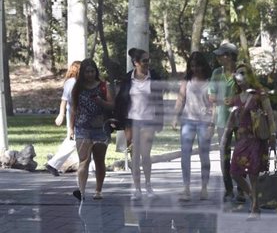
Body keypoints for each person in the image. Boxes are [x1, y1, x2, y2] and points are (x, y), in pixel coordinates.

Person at [114, 48, 165, 200]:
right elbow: (121, 100)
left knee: (146, 155)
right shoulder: (128, 78)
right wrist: (118, 121)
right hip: (131, 121)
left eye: (148, 60)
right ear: (136, 63)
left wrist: (159, 121)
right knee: (134, 156)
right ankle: (137, 189)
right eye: (144, 61)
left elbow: (159, 100)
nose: (147, 63)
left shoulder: (154, 77)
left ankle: (148, 186)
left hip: (148, 120)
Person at [227, 63, 277, 217]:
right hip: (242, 140)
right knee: (234, 172)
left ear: (250, 75)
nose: (240, 76)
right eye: (237, 74)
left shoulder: (259, 94)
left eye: (243, 73)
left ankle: (255, 207)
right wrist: (226, 135)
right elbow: (233, 120)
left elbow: (269, 113)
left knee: (253, 174)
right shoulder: (236, 98)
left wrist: (273, 135)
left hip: (256, 139)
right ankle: (254, 198)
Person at [172, 52, 214, 201]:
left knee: (204, 155)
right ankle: (186, 188)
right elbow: (180, 99)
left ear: (204, 65)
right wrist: (175, 116)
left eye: (198, 65)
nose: (195, 69)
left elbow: (214, 104)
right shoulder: (187, 81)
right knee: (185, 155)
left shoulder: (210, 81)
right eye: (193, 66)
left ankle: (204, 187)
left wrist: (212, 124)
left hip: (205, 121)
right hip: (188, 121)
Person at [69, 58, 114, 201]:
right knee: (84, 160)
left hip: (100, 128)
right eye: (87, 72)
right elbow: (73, 109)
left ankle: (98, 190)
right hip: (82, 128)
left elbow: (112, 105)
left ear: (96, 71)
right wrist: (71, 128)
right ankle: (81, 191)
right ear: (82, 73)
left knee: (99, 160)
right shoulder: (78, 87)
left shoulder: (103, 86)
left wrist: (101, 102)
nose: (90, 74)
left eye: (92, 71)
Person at [209, 41, 245, 203]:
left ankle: (242, 190)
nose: (218, 58)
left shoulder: (241, 72)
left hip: (242, 121)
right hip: (223, 122)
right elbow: (210, 96)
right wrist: (224, 101)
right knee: (224, 155)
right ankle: (228, 189)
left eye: (221, 55)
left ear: (229, 57)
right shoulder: (216, 73)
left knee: (242, 156)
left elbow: (250, 93)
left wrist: (236, 99)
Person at [46, 61, 81, 176]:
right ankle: (53, 163)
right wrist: (61, 114)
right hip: (73, 115)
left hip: (78, 114)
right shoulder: (72, 82)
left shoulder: (76, 82)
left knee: (76, 141)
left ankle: (53, 164)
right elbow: (64, 100)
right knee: (73, 140)